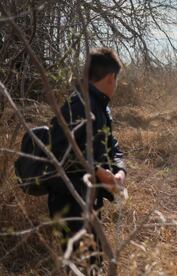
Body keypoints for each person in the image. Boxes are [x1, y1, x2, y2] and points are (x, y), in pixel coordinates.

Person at [48, 48, 127, 259]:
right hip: (69, 201)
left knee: (94, 260)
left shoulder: (101, 107)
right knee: (80, 263)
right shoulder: (77, 105)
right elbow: (60, 152)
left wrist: (119, 172)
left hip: (90, 198)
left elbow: (113, 146)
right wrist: (99, 172)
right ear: (111, 78)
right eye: (117, 80)